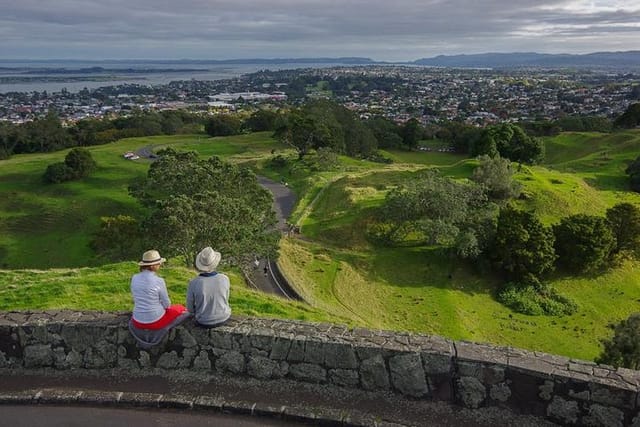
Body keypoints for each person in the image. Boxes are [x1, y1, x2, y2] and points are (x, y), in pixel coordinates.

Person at [128, 250, 190, 348]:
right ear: (153, 266)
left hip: (137, 320)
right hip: (155, 320)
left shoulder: (134, 278)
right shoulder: (159, 281)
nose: (160, 264)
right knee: (179, 309)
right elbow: (167, 305)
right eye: (158, 263)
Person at [187, 247, 231, 328]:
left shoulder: (193, 282)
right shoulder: (225, 278)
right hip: (224, 317)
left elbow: (190, 309)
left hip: (203, 321)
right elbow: (226, 299)